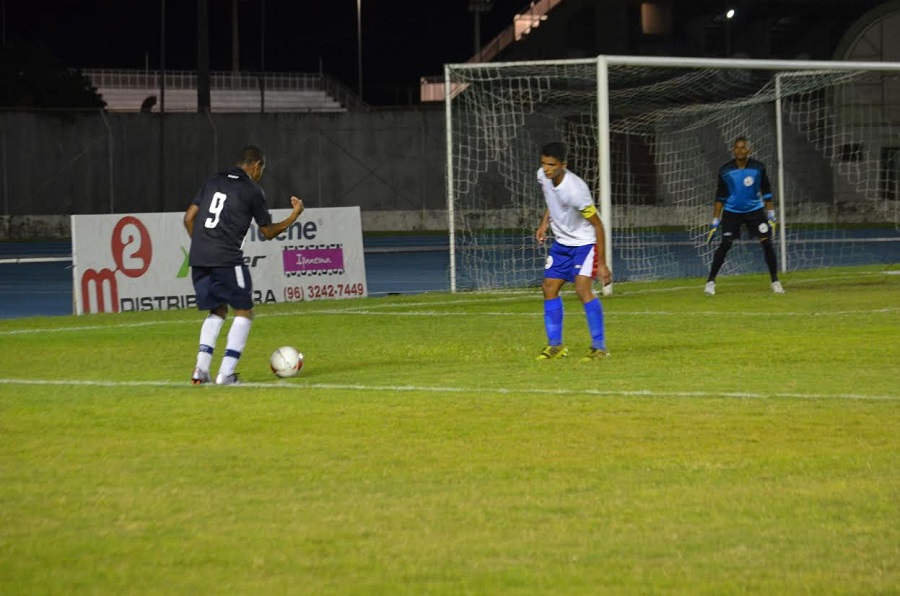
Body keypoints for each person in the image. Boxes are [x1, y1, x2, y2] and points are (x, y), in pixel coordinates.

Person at [184, 145, 304, 385]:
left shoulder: (213, 180)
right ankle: (226, 374)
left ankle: (200, 370)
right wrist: (294, 215)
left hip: (199, 257)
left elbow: (188, 218)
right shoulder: (252, 190)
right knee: (244, 310)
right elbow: (268, 232)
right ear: (257, 166)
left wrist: (203, 246)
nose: (261, 174)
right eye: (262, 170)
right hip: (226, 257)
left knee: (217, 310)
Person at [534, 141, 612, 362]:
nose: (546, 169)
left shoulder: (576, 190)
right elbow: (553, 199)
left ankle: (599, 347)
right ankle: (555, 346)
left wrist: (602, 263)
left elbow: (598, 225)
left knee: (582, 289)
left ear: (563, 165)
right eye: (544, 164)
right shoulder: (543, 176)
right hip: (562, 243)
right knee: (549, 287)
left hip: (584, 243)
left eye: (551, 165)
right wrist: (544, 223)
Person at [705, 136, 784, 295]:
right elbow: (720, 197)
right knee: (725, 244)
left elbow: (766, 191)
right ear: (733, 150)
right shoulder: (725, 170)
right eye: (736, 147)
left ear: (749, 150)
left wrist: (771, 213)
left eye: (743, 147)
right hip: (732, 212)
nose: (739, 150)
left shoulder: (758, 168)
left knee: (767, 243)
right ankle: (710, 282)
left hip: (755, 211)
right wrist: (715, 219)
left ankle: (775, 282)